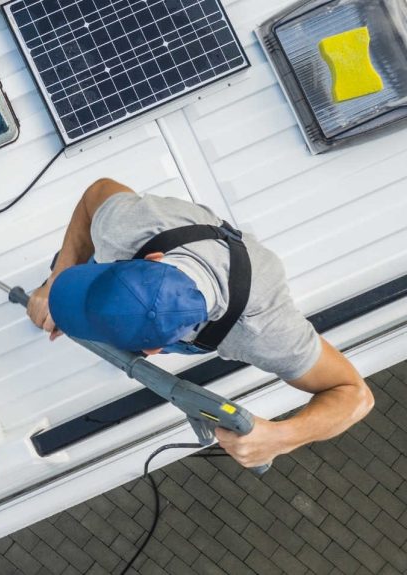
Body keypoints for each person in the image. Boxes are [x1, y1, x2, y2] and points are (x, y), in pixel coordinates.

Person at [26, 178, 374, 469]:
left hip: (239, 297)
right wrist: (57, 281)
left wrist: (281, 438)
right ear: (153, 258)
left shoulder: (264, 328)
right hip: (181, 241)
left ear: (154, 350)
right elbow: (96, 194)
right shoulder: (131, 227)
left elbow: (355, 395)